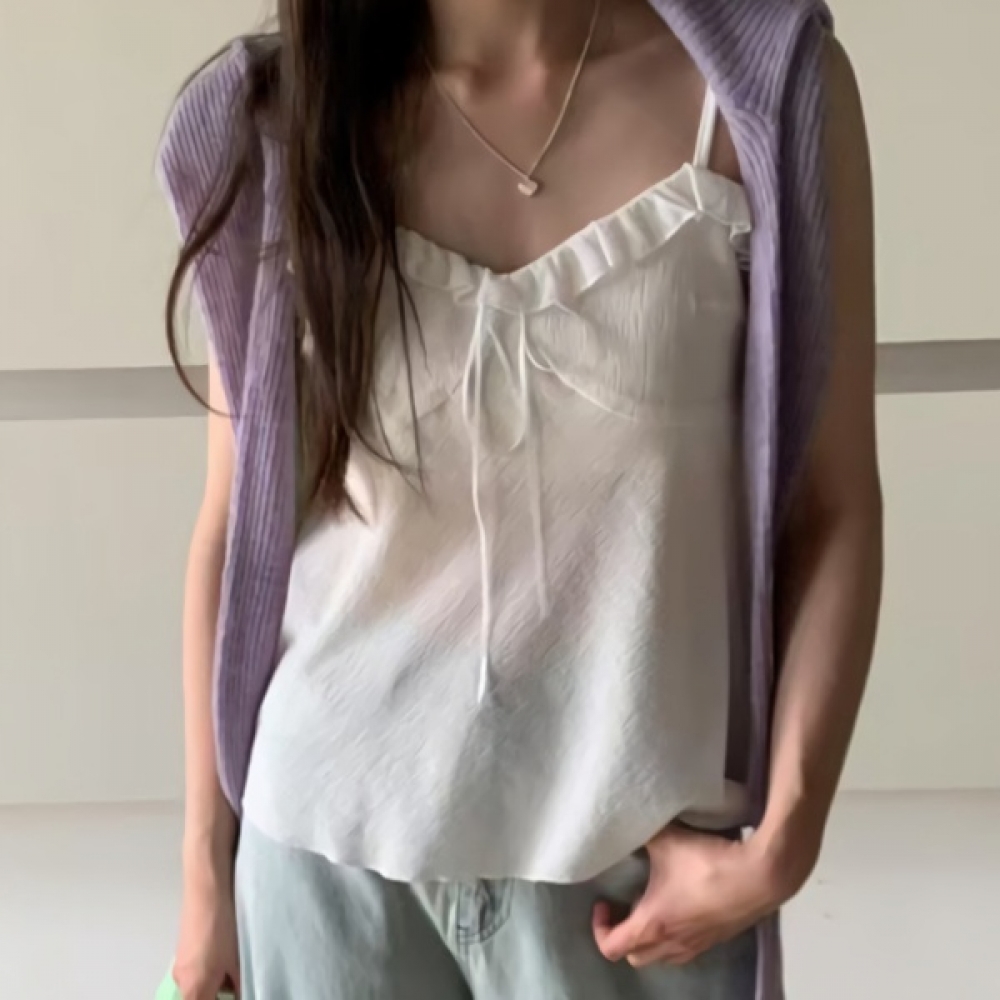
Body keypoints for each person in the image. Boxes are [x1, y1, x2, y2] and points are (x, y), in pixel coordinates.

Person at [159, 0, 882, 998]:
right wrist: (206, 880)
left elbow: (832, 505)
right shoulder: (280, 125)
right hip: (325, 873)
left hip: (637, 890)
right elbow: (234, 528)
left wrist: (784, 839)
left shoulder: (760, 99)